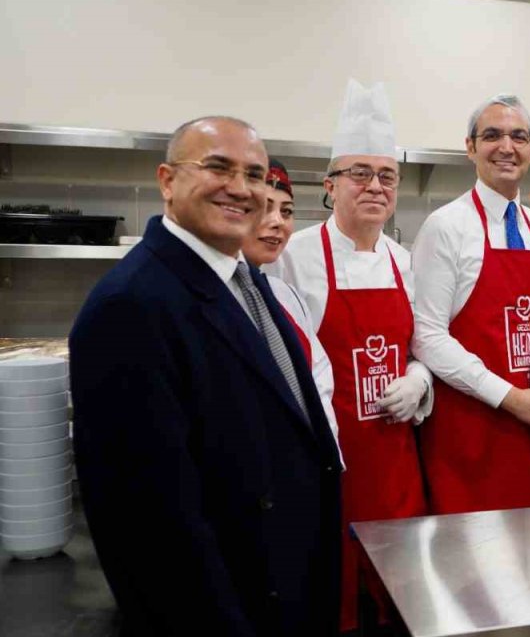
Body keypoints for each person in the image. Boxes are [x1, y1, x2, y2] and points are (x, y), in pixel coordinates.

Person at [69, 116, 342, 636]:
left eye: (255, 175)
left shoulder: (246, 280)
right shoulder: (130, 305)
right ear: (167, 180)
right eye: (218, 167)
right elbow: (146, 523)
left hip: (286, 581)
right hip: (227, 605)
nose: (241, 188)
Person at [273, 79, 430, 633]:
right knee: (333, 594)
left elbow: (421, 348)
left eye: (387, 175)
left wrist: (417, 381)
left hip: (396, 460)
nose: (375, 186)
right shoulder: (293, 256)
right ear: (330, 184)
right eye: (360, 173)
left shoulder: (404, 260)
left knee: (400, 596)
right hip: (330, 460)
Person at [411, 94, 530, 513]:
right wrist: (511, 398)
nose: (506, 147)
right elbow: (427, 336)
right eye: (492, 135)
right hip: (469, 428)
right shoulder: (446, 226)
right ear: (470, 147)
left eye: (519, 137)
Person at [243, 159, 340, 450]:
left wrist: (328, 455)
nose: (277, 222)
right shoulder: (209, 298)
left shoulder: (286, 296)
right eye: (263, 208)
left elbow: (319, 384)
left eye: (286, 211)